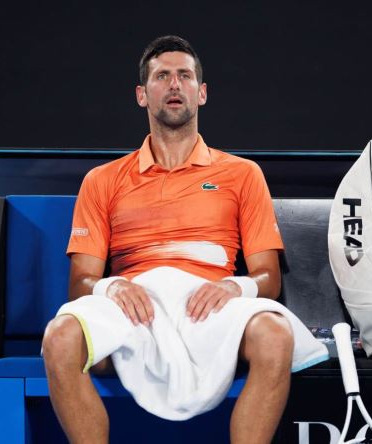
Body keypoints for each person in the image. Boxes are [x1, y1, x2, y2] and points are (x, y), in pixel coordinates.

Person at [42, 35, 327, 443]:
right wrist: (113, 286)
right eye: (162, 76)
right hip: (136, 311)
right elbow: (80, 282)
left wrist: (235, 286)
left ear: (201, 92)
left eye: (184, 75)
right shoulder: (101, 180)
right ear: (142, 95)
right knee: (59, 337)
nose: (174, 84)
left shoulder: (243, 174)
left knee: (275, 335)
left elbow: (268, 276)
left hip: (208, 310)